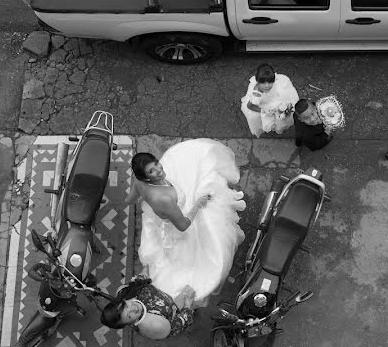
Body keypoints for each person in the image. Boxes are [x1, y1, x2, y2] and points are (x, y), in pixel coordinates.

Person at [128, 141, 246, 308]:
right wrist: (198, 204)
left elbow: (130, 200)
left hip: (168, 215)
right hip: (179, 225)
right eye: (152, 171)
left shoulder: (139, 184)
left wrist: (149, 205)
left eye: (156, 164)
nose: (159, 170)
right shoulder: (164, 199)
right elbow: (183, 226)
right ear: (146, 177)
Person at [100, 275, 195, 339]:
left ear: (122, 300)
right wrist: (187, 306)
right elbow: (177, 325)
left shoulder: (123, 292)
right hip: (175, 310)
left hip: (166, 293)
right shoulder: (154, 325)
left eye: (126, 305)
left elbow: (138, 279)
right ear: (127, 323)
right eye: (129, 316)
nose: (134, 308)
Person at [241, 63, 300, 137]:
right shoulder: (257, 93)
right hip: (264, 103)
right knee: (260, 117)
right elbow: (249, 106)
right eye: (263, 82)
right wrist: (263, 110)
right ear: (258, 81)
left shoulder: (275, 83)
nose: (267, 85)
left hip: (274, 98)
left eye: (270, 82)